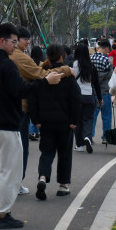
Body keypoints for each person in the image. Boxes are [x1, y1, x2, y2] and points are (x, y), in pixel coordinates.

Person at [0, 23, 61, 229]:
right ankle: (3, 213)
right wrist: (45, 81)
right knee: (9, 170)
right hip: (6, 122)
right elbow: (21, 90)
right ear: (2, 40)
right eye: (13, 42)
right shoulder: (6, 65)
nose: (16, 46)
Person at [9, 26, 72, 195]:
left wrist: (36, 118)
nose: (26, 42)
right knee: (21, 148)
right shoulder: (19, 57)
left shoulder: (3, 57)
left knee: (43, 152)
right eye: (22, 39)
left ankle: (40, 177)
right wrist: (65, 70)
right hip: (24, 110)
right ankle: (17, 181)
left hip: (28, 115)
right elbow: (40, 75)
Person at [28, 44, 81, 200]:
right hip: (65, 122)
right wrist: (74, 120)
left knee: (47, 152)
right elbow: (76, 99)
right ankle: (63, 185)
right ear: (62, 56)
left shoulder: (43, 75)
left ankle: (43, 177)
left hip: (46, 122)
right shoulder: (68, 76)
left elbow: (33, 98)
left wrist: (36, 120)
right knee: (64, 154)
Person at [71, 44, 101, 153]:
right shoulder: (91, 66)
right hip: (89, 96)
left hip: (77, 97)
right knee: (88, 119)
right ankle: (87, 136)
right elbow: (96, 84)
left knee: (77, 121)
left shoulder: (73, 65)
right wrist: (100, 98)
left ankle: (79, 145)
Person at [90, 40, 114, 141]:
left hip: (93, 92)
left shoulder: (90, 59)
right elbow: (110, 75)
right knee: (107, 116)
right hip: (104, 91)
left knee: (92, 116)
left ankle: (89, 136)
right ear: (107, 48)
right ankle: (106, 137)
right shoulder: (107, 60)